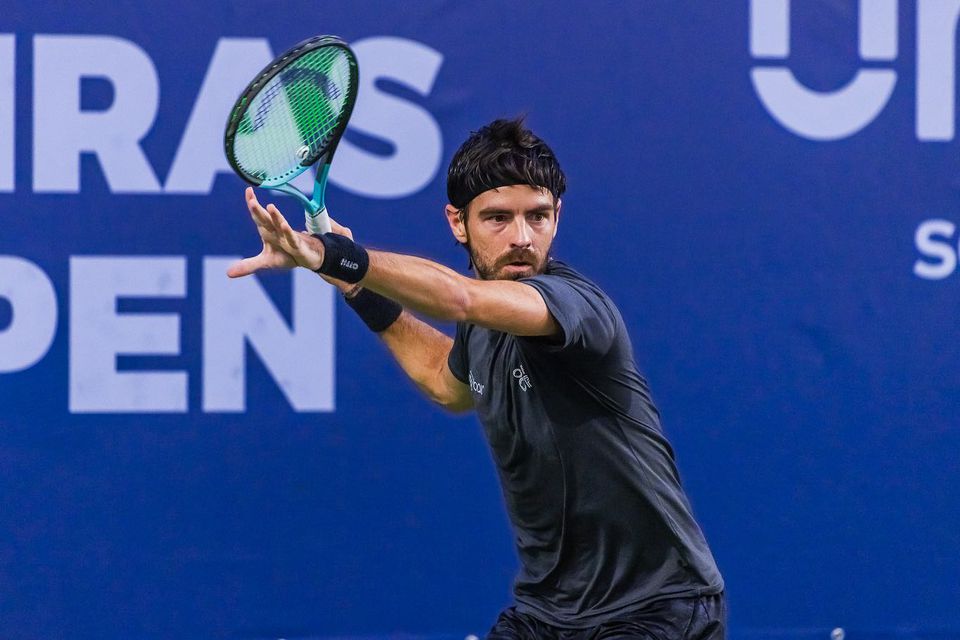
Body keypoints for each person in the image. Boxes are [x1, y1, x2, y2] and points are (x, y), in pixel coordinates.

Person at [228, 118, 726, 639]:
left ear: (558, 218)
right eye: (497, 218)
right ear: (457, 222)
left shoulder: (575, 306)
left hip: (655, 609)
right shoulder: (483, 328)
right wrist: (356, 288)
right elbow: (447, 382)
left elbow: (458, 297)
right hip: (547, 613)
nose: (521, 237)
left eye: (538, 217)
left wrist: (337, 255)